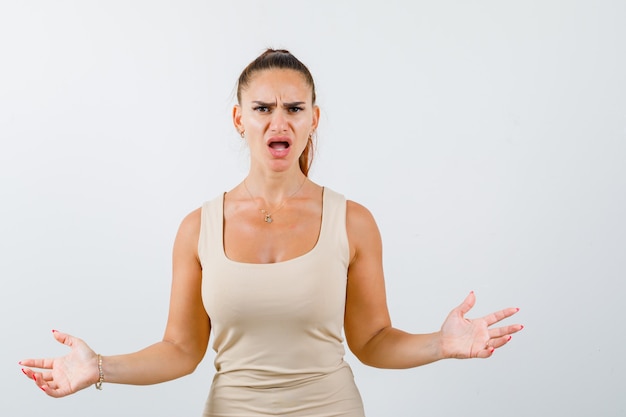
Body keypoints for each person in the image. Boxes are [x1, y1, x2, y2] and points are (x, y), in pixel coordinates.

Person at [19, 49, 523, 416]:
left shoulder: (354, 222)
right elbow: (180, 350)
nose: (277, 121)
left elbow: (372, 341)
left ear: (313, 119)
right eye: (262, 108)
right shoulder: (198, 227)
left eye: (293, 108)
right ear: (240, 119)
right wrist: (98, 367)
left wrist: (442, 344)